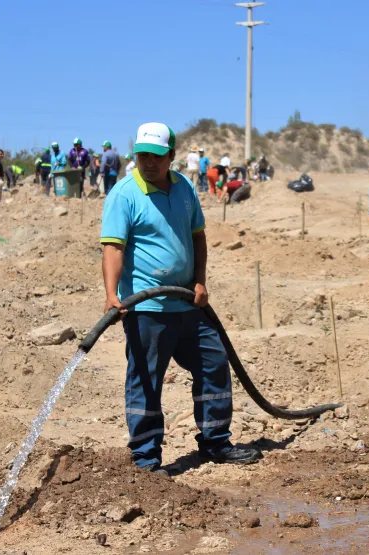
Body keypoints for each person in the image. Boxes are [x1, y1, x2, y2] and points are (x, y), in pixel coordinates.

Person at [100, 122, 260, 475]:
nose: (149, 162)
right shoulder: (124, 194)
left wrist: (200, 282)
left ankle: (216, 442)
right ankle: (146, 460)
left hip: (188, 302)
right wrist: (112, 295)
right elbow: (113, 247)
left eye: (156, 156)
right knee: (146, 380)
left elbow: (198, 237)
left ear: (172, 156)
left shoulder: (185, 187)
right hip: (147, 308)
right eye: (142, 155)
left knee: (214, 363)